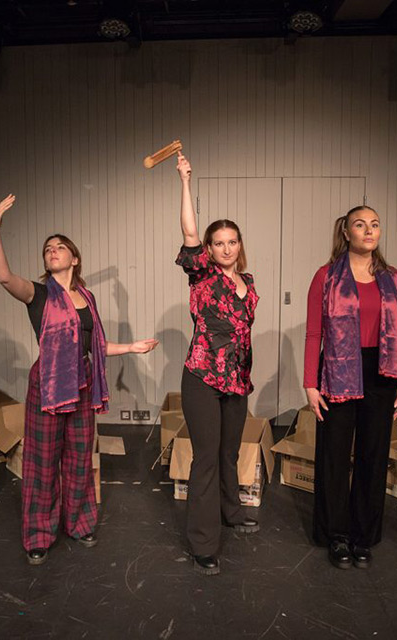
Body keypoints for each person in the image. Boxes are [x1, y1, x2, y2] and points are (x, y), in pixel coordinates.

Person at [0, 194, 158, 566]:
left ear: (74, 258)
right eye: (48, 249)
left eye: (60, 247)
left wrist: (132, 346)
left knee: (80, 460)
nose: (52, 251)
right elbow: (3, 277)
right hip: (48, 386)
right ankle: (38, 535)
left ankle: (79, 524)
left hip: (82, 384)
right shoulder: (38, 293)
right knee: (42, 462)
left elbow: (94, 344)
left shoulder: (87, 297)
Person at [303, 206, 397, 570]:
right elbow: (314, 332)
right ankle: (336, 535)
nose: (369, 230)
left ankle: (364, 535)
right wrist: (310, 384)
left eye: (375, 224)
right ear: (346, 232)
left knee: (373, 454)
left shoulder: (392, 277)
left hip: (381, 371)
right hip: (337, 368)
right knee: (334, 454)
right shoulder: (326, 276)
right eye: (360, 224)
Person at [174, 153, 260, 576]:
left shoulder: (251, 285)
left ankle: (231, 512)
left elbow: (243, 339)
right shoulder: (204, 276)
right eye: (218, 242)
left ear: (240, 245)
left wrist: (245, 377)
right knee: (206, 458)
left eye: (232, 241)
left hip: (237, 382)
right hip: (203, 378)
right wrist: (186, 180)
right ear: (209, 250)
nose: (226, 248)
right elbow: (190, 230)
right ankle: (204, 545)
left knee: (229, 453)